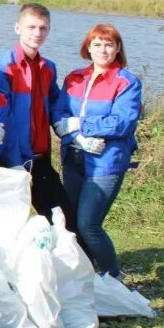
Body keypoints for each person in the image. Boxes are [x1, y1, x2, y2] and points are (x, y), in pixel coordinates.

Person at [52, 24, 142, 279]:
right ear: (88, 48)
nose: (103, 50)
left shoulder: (126, 82)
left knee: (88, 224)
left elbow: (122, 122)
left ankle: (113, 277)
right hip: (73, 158)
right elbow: (59, 115)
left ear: (118, 49)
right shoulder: (74, 78)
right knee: (73, 222)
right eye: (97, 44)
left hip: (105, 162)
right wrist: (77, 138)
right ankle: (86, 276)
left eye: (109, 44)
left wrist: (81, 125)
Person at [0, 3, 77, 226]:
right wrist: (13, 161)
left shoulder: (49, 68)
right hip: (11, 160)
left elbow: (56, 104)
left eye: (43, 28)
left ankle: (80, 260)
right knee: (9, 222)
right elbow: (0, 117)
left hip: (41, 157)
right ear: (17, 28)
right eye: (31, 27)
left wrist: (67, 125)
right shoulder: (3, 68)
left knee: (64, 218)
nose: (37, 33)